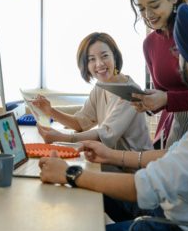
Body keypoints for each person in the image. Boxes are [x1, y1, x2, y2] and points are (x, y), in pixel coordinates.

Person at [39, 3, 188, 231]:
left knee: (79, 227)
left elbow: (145, 186)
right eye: (91, 59)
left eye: (179, 50)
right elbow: (174, 153)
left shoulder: (129, 91)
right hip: (165, 203)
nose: (174, 56)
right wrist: (110, 155)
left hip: (173, 223)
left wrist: (69, 173)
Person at [32, 32, 152, 168]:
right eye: (92, 59)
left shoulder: (130, 93)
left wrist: (62, 138)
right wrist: (50, 111)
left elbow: (104, 134)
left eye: (105, 56)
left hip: (136, 168)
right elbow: (81, 122)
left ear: (115, 57)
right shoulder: (101, 87)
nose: (99, 64)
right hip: (114, 162)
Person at [129, 0, 188, 148]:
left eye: (154, 5)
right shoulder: (149, 44)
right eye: (141, 8)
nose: (148, 15)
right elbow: (163, 94)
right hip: (174, 129)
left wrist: (167, 99)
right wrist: (150, 102)